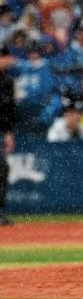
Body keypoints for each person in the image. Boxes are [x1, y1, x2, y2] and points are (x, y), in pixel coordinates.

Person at [0, 49, 15, 225]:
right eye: (4, 57)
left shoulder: (7, 81)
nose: (8, 60)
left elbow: (8, 110)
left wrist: (8, 132)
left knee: (2, 167)